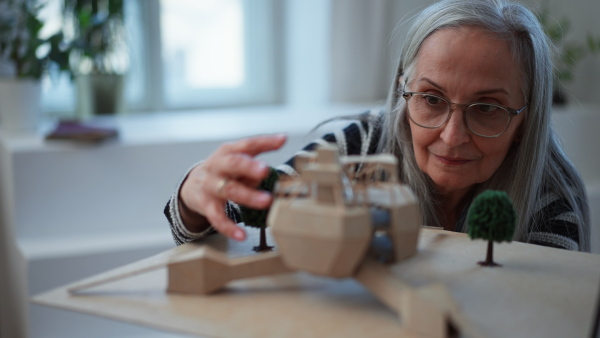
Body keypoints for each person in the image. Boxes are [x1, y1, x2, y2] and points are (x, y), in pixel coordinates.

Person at [165, 0, 590, 251]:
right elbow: (240, 214)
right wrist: (196, 191)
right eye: (431, 99)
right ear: (402, 91)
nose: (452, 135)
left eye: (487, 109)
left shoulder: (551, 204)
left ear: (527, 116)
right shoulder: (362, 143)